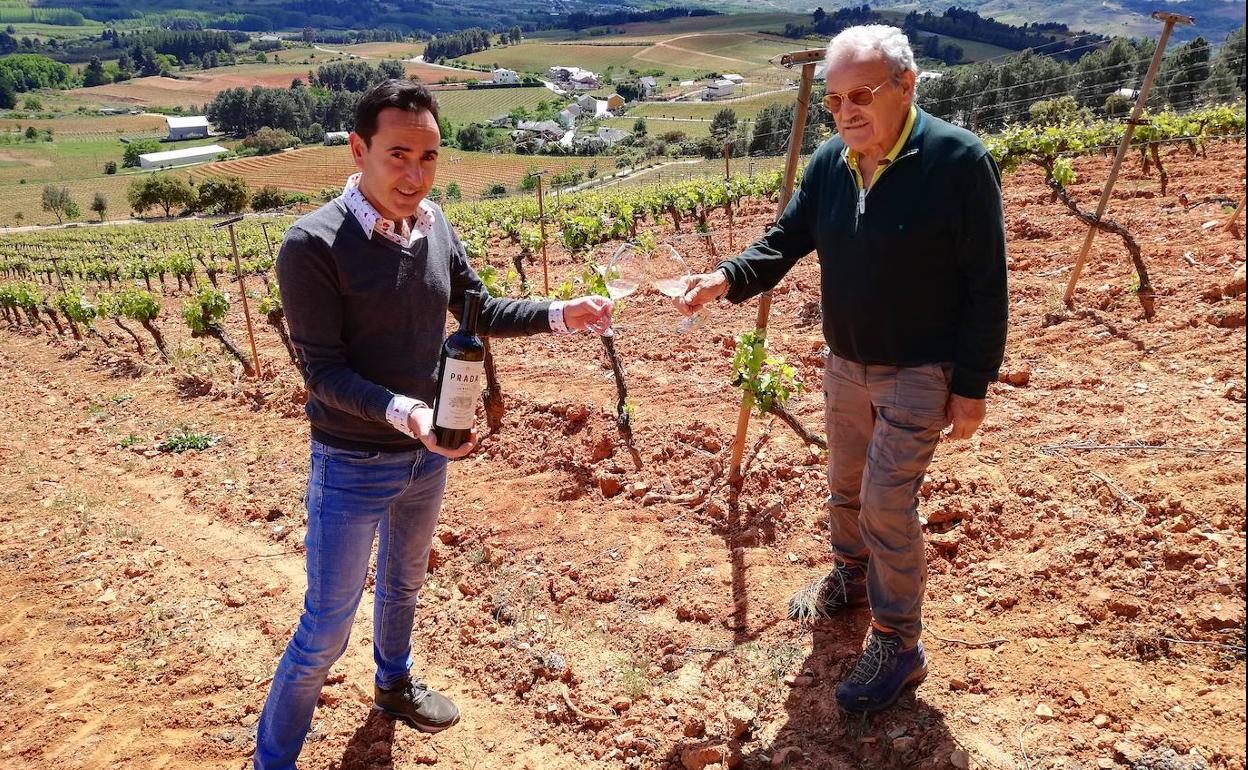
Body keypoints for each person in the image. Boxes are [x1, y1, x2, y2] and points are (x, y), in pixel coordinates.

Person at [253, 79, 613, 770]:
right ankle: (273, 761)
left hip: (425, 457)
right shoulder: (312, 246)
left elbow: (478, 309)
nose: (415, 175)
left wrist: (562, 313)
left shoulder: (435, 225)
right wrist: (409, 411)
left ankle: (392, 685)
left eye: (429, 157)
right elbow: (323, 373)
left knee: (404, 585)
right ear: (358, 150)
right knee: (324, 631)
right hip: (353, 461)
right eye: (397, 155)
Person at [677, 25, 1007, 712]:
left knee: (889, 501)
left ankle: (897, 640)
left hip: (922, 368)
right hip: (846, 361)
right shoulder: (831, 162)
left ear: (906, 86)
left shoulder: (957, 160)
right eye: (833, 100)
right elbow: (786, 239)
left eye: (861, 94)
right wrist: (724, 279)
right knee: (846, 485)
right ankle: (851, 576)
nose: (846, 111)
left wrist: (972, 387)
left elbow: (987, 284)